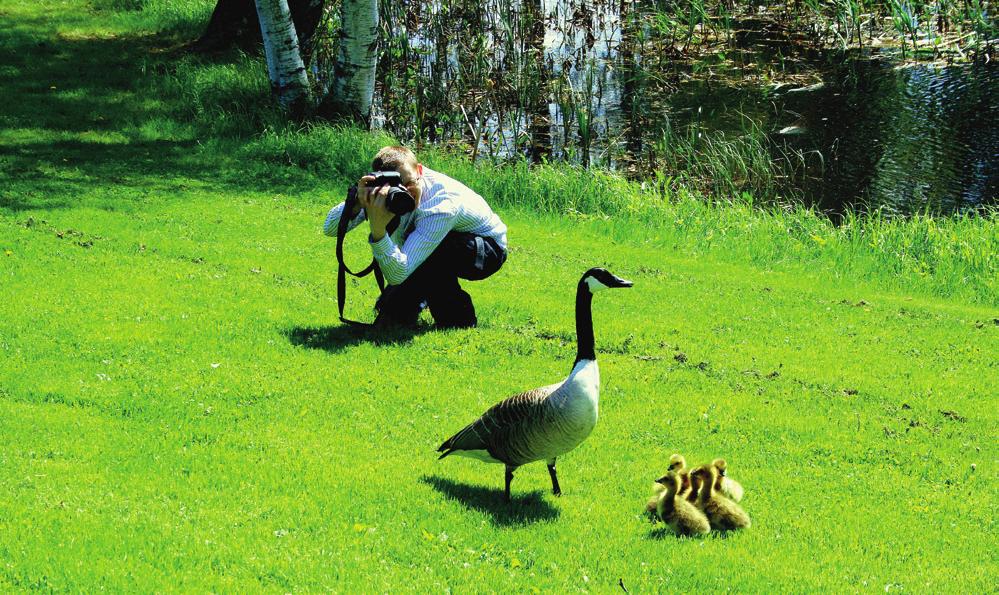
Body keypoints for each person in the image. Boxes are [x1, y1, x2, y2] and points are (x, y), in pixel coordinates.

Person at [323, 146, 508, 329]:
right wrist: (358, 202)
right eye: (397, 188)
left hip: (486, 249)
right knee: (390, 310)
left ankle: (458, 320)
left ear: (420, 170)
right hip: (443, 240)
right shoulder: (382, 193)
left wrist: (378, 231)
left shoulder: (441, 205)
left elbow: (398, 273)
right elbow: (330, 228)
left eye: (409, 183)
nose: (405, 194)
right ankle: (419, 297)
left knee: (431, 257)